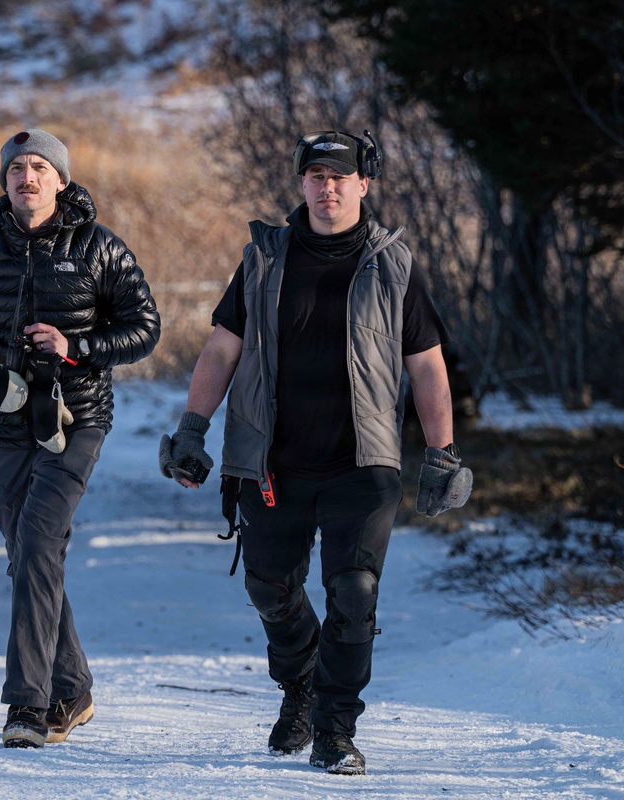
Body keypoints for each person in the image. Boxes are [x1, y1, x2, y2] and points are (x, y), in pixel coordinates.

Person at [159, 129, 472, 775]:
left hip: (363, 463)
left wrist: (442, 453)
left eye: (340, 177)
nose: (328, 188)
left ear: (363, 184)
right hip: (273, 461)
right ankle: (299, 685)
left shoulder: (393, 266)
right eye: (317, 176)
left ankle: (335, 729)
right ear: (302, 184)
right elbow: (221, 349)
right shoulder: (263, 259)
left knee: (353, 592)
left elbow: (426, 364)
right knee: (270, 587)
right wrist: (192, 428)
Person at [0, 128, 160, 748]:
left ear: (61, 180)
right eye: (16, 169)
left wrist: (75, 346)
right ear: (4, 181)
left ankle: (28, 705)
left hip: (75, 421)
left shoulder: (99, 247)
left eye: (38, 168)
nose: (26, 177)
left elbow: (144, 328)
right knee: (31, 556)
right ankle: (73, 689)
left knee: (36, 545)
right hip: (2, 425)